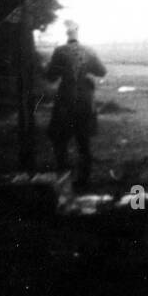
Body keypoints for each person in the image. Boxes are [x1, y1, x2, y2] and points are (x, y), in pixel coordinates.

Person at [45, 20, 107, 188]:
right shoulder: (89, 50)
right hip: (85, 102)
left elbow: (51, 76)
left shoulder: (60, 51)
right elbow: (102, 71)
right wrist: (88, 75)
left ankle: (63, 179)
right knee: (83, 142)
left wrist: (48, 68)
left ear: (67, 34)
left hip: (66, 101)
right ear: (78, 33)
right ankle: (84, 180)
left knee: (61, 140)